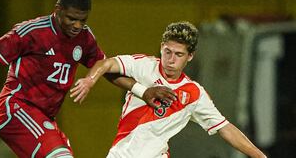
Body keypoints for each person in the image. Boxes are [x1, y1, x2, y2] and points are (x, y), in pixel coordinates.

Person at [0, 0, 175, 158]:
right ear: (57, 9)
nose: (77, 26)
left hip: (44, 117)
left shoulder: (85, 38)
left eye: (82, 20)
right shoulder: (33, 32)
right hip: (16, 109)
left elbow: (106, 70)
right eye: (71, 18)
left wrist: (143, 91)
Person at [70, 21, 267, 158]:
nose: (171, 60)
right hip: (120, 154)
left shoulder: (193, 93)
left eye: (179, 54)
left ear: (190, 56)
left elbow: (225, 128)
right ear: (162, 47)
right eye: (167, 52)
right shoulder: (144, 65)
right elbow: (107, 64)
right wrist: (89, 80)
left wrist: (259, 156)